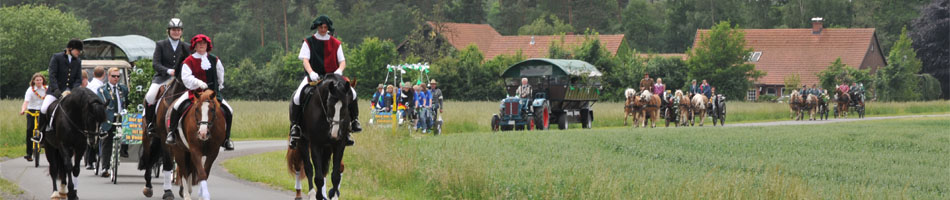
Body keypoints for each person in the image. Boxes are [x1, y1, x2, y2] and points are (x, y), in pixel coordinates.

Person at [289, 15, 359, 148]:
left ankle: (353, 123)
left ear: (328, 28)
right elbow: (305, 60)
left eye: (325, 27)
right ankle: (295, 127)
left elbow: (342, 61)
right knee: (297, 97)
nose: (322, 29)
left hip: (333, 76)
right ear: (317, 27)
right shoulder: (308, 42)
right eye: (321, 27)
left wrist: (339, 71)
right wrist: (311, 72)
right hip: (314, 76)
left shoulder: (336, 43)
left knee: (353, 94)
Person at [165, 34, 235, 151]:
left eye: (204, 44)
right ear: (195, 46)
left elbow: (220, 75)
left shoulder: (214, 59)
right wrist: (198, 83)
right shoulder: (189, 61)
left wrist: (218, 86)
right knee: (176, 106)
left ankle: (227, 139)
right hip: (195, 93)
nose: (201, 46)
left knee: (229, 110)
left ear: (207, 45)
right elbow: (186, 78)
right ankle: (171, 133)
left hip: (212, 93)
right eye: (199, 44)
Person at [145, 18, 191, 141]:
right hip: (163, 78)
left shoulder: (187, 46)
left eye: (178, 30)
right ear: (168, 31)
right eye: (173, 30)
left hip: (181, 79)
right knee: (150, 96)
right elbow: (156, 64)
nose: (176, 32)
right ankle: (150, 124)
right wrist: (167, 71)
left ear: (181, 32)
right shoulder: (160, 44)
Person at [37, 39, 84, 137]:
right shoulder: (57, 57)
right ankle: (40, 133)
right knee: (44, 108)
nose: (79, 53)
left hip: (70, 92)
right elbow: (52, 75)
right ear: (70, 49)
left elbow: (78, 79)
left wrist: (71, 91)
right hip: (55, 91)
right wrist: (56, 90)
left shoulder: (78, 62)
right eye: (78, 50)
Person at [96, 67, 129, 177]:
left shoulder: (123, 88)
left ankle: (124, 150)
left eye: (118, 76)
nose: (116, 78)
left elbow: (127, 101)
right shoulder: (102, 89)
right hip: (109, 118)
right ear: (108, 76)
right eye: (113, 76)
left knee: (127, 134)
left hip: (121, 116)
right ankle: (105, 167)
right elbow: (102, 103)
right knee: (107, 141)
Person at [20, 73, 46, 161]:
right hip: (32, 111)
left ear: (43, 81)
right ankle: (29, 153)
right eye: (37, 80)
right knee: (29, 130)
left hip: (42, 111)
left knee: (44, 128)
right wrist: (23, 109)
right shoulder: (30, 90)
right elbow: (26, 102)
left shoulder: (47, 89)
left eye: (40, 80)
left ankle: (45, 143)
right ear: (34, 81)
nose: (39, 81)